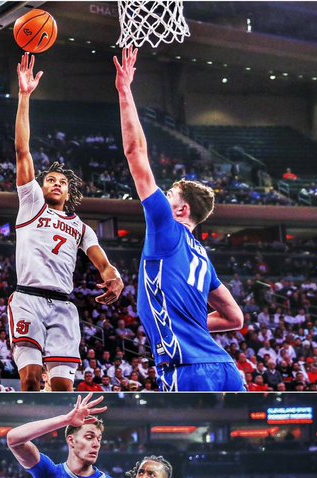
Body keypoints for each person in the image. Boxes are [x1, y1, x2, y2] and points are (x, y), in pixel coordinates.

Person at [113, 48, 245, 391]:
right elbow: (235, 318)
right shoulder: (202, 255)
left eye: (170, 196)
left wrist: (125, 91)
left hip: (186, 367)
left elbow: (135, 153)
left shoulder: (165, 229)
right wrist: (194, 321)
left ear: (181, 210)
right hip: (226, 368)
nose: (163, 198)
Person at [9, 54, 123, 392]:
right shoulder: (31, 204)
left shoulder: (82, 227)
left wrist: (113, 277)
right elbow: (22, 151)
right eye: (51, 179)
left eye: (62, 181)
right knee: (30, 380)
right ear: (42, 186)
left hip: (63, 303)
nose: (56, 183)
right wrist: (25, 96)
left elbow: (102, 262)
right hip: (28, 297)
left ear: (70, 190)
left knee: (62, 388)